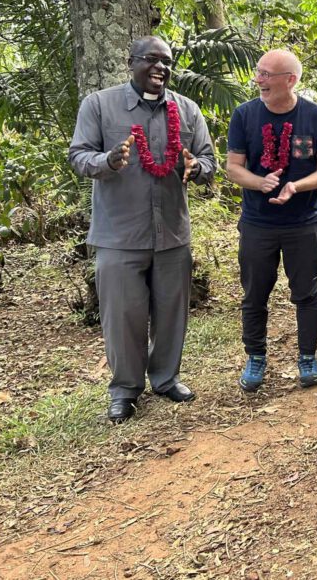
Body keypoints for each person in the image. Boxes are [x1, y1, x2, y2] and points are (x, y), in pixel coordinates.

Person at [69, 36, 216, 424]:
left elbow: (208, 160)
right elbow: (78, 155)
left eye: (167, 62)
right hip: (120, 235)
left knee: (172, 313)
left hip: (172, 233)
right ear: (131, 61)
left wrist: (197, 168)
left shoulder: (186, 110)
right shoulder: (99, 105)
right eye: (151, 59)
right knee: (123, 317)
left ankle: (166, 379)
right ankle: (125, 390)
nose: (160, 67)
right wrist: (108, 160)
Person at [226, 50, 317, 392]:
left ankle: (307, 358)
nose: (258, 79)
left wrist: (295, 186)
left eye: (265, 74)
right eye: (258, 72)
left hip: (302, 221)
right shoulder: (244, 116)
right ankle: (255, 357)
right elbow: (233, 167)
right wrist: (260, 182)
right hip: (258, 222)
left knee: (306, 293)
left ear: (290, 80)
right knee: (255, 293)